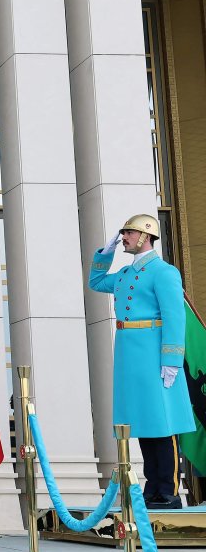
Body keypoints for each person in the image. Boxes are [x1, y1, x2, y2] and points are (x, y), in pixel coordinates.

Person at [89, 214, 194, 509]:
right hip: (128, 353)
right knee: (143, 422)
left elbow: (175, 315)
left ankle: (169, 490)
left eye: (129, 234)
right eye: (123, 234)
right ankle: (152, 487)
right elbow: (96, 282)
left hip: (152, 350)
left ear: (146, 236)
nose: (124, 238)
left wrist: (171, 357)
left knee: (162, 421)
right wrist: (105, 254)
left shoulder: (163, 271)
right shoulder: (123, 274)